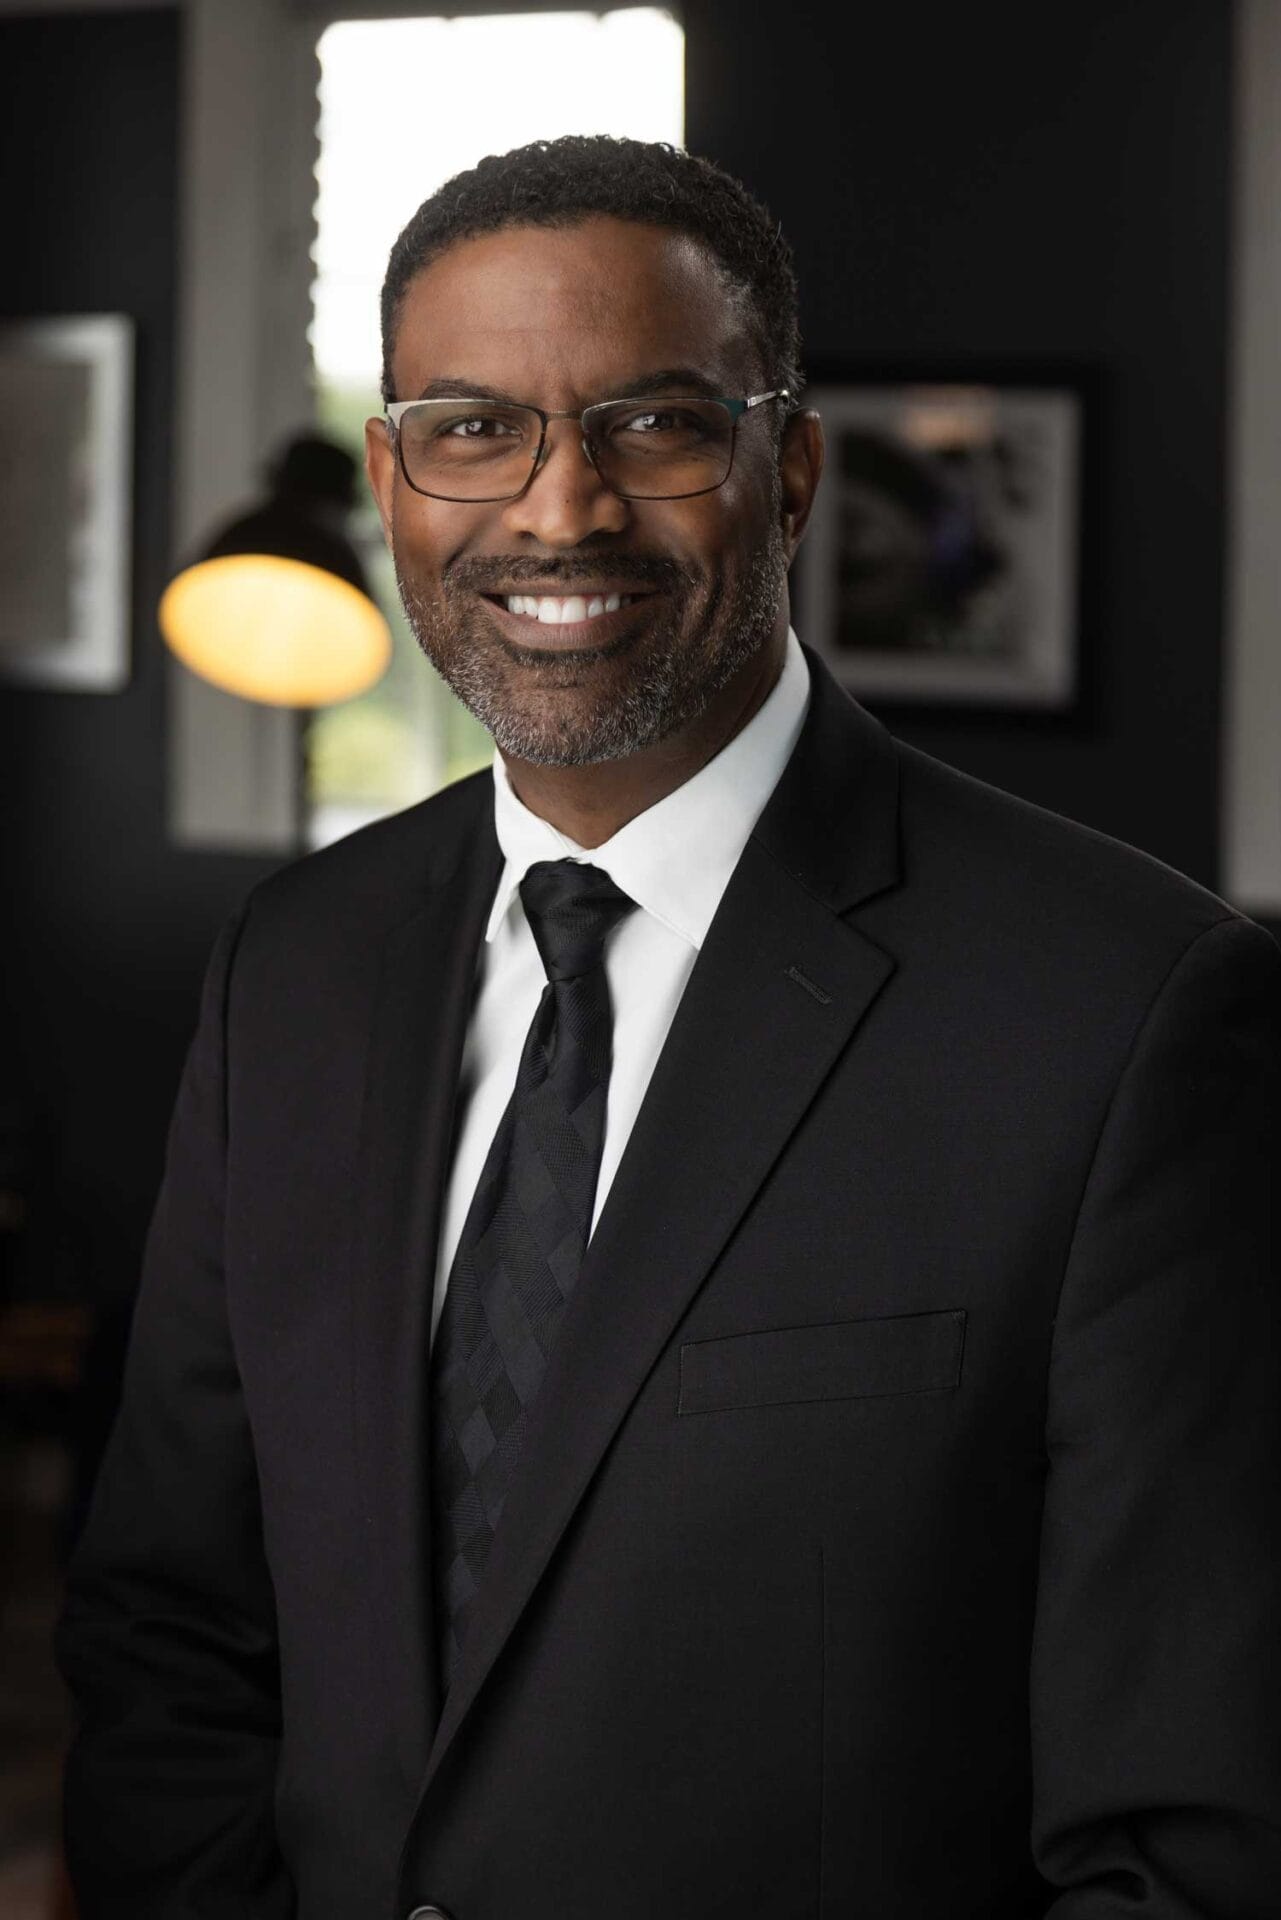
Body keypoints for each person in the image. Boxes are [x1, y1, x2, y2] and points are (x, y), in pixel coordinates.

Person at [58, 135, 1281, 1920]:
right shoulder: (297, 967)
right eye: (473, 429)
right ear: (393, 478)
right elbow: (175, 1622)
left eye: (652, 424)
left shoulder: (1129, 1013)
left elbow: (1189, 1836)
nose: (559, 513)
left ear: (786, 472)